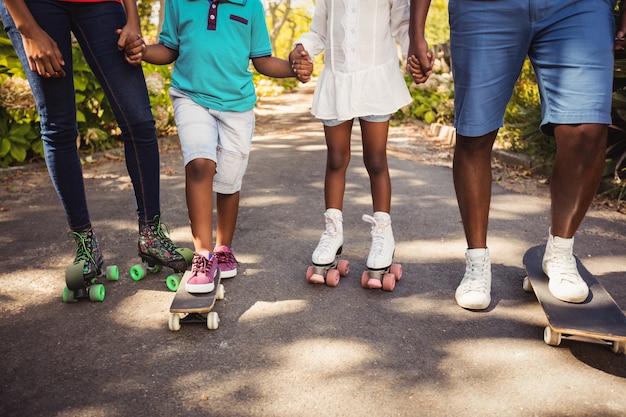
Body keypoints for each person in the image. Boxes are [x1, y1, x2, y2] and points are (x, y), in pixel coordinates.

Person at [408, 0, 626, 310]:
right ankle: (477, 261)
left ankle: (560, 253)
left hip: (578, 6)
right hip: (484, 7)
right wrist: (417, 29)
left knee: (586, 129)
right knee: (475, 131)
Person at [123, 0, 312, 293]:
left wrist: (293, 69)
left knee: (228, 180)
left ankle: (223, 247)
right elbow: (169, 48)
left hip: (237, 106)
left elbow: (262, 59)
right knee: (200, 164)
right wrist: (144, 51)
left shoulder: (250, 5)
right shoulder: (179, 2)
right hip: (191, 97)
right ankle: (203, 255)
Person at [0, 0, 190, 289]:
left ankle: (151, 235)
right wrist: (28, 30)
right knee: (58, 125)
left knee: (138, 120)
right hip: (33, 6)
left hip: (101, 4)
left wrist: (132, 19)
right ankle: (85, 247)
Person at [290, 0, 412, 289]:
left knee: (376, 159)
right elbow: (318, 31)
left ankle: (383, 235)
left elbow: (403, 25)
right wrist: (301, 48)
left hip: (376, 78)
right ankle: (333, 233)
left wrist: (416, 53)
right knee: (336, 159)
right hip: (338, 81)